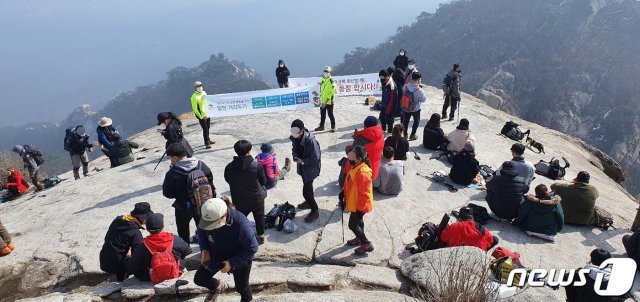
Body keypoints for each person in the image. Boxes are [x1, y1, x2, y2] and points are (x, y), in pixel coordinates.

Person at [195, 198, 259, 302]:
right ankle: (216, 287)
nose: (210, 228)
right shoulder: (208, 215)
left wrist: (231, 263)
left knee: (241, 287)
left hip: (238, 259)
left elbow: (252, 248)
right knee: (200, 279)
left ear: (224, 215)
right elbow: (201, 231)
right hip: (215, 255)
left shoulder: (241, 224)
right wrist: (205, 249)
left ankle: (246, 299)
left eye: (213, 225)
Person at [162, 143, 215, 244]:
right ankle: (207, 249)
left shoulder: (172, 173)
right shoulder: (201, 165)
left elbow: (167, 193)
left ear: (175, 158)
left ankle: (185, 249)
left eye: (171, 158)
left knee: (183, 231)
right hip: (203, 204)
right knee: (204, 228)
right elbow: (210, 182)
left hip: (183, 208)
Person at [125, 213, 191, 282]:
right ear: (163, 226)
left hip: (152, 277)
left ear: (147, 229)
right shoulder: (175, 239)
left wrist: (128, 256)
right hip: (176, 272)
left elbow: (131, 267)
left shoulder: (143, 246)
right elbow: (188, 251)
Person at [224, 140, 268, 245]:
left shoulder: (229, 167)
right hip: (256, 198)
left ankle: (241, 237)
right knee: (259, 216)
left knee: (240, 219)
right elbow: (263, 181)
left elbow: (227, 179)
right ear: (249, 151)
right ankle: (261, 235)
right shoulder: (256, 165)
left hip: (239, 199)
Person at [99, 202, 153, 281]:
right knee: (120, 281)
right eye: (146, 217)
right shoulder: (135, 233)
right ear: (141, 217)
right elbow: (137, 256)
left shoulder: (118, 219)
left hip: (105, 258)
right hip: (118, 266)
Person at [341, 145, 375, 255]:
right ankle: (359, 238)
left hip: (360, 205)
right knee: (359, 222)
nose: (349, 161)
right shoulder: (355, 166)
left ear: (359, 159)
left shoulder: (363, 173)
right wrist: (343, 192)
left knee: (352, 225)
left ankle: (366, 243)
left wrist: (360, 210)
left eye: (352, 159)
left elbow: (364, 194)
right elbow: (349, 182)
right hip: (354, 201)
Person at [290, 119, 322, 223]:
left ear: (302, 130)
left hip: (310, 169)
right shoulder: (295, 137)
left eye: (296, 132)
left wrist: (302, 161)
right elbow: (294, 149)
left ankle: (315, 210)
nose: (295, 135)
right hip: (303, 168)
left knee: (306, 192)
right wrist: (295, 156)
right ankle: (308, 203)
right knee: (307, 185)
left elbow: (315, 158)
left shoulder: (311, 141)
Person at [353, 116, 385, 180]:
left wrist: (348, 148)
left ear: (365, 126)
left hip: (364, 172)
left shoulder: (360, 140)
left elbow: (354, 156)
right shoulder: (381, 134)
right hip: (375, 168)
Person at [401, 72, 427, 141]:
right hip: (415, 109)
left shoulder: (405, 86)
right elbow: (423, 99)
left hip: (406, 108)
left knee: (405, 121)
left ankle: (405, 134)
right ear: (419, 79)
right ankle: (412, 135)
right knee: (416, 121)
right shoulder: (419, 90)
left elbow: (402, 94)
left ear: (411, 78)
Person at [191, 81, 214, 149]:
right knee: (205, 129)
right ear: (195, 88)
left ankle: (208, 139)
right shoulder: (194, 96)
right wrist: (201, 116)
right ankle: (206, 143)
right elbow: (195, 108)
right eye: (198, 86)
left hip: (207, 114)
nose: (200, 87)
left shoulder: (204, 92)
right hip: (201, 116)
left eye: (200, 85)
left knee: (208, 127)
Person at [315, 66, 337, 132]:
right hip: (323, 100)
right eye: (325, 71)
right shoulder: (323, 79)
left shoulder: (332, 82)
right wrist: (320, 84)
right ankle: (321, 126)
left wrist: (325, 103)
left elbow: (331, 94)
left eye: (327, 72)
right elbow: (324, 85)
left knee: (330, 114)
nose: (326, 73)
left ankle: (333, 127)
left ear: (330, 72)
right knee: (322, 114)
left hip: (329, 101)